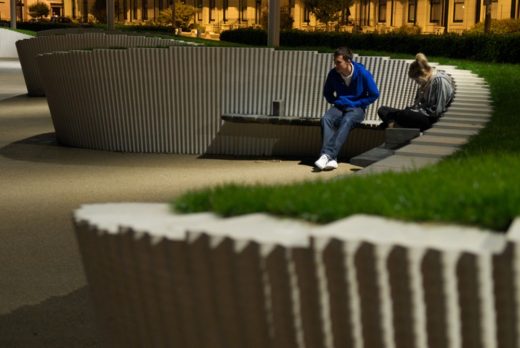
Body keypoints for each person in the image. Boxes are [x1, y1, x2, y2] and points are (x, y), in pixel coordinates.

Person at [315, 47, 380, 171]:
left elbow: (374, 94)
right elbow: (327, 92)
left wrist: (359, 103)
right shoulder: (333, 74)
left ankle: (327, 154)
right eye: (335, 62)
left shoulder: (363, 73)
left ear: (348, 61)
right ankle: (332, 159)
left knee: (347, 120)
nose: (336, 65)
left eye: (338, 62)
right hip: (339, 107)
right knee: (326, 119)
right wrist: (336, 101)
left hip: (357, 109)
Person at [377, 53, 454, 131]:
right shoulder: (426, 83)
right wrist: (413, 110)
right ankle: (393, 123)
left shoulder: (439, 81)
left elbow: (436, 111)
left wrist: (413, 111)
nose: (417, 83)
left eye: (417, 80)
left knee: (404, 114)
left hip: (430, 120)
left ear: (423, 75)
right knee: (382, 110)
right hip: (420, 115)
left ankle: (392, 123)